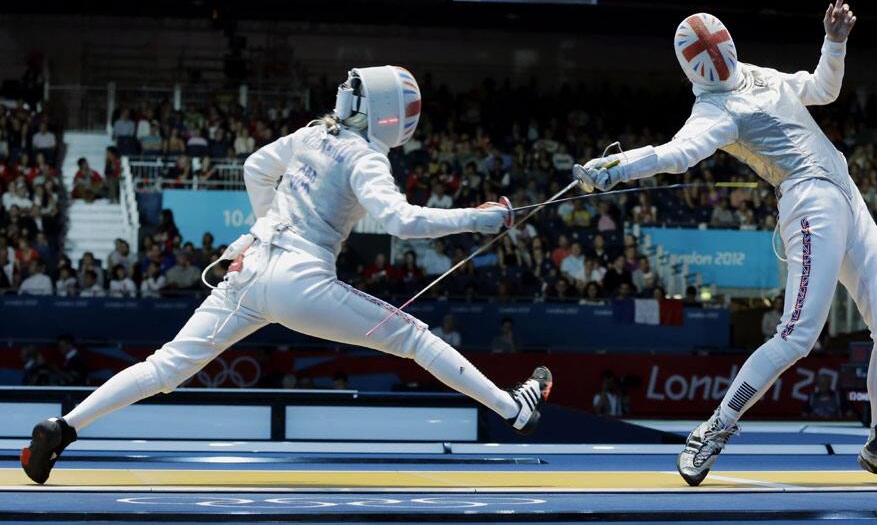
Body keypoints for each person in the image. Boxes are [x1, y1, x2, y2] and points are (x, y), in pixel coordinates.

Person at [22, 65, 552, 485]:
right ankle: (514, 410)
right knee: (414, 337)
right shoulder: (364, 157)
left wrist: (263, 224)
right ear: (390, 113)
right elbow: (402, 221)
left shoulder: (312, 135)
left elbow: (256, 167)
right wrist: (481, 218)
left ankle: (64, 427)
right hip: (301, 278)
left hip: (249, 269)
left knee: (164, 368)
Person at [574, 0, 877, 486]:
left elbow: (823, 89)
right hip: (809, 204)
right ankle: (713, 429)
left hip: (847, 192)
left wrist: (834, 43)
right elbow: (676, 154)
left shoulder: (759, 74)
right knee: (798, 335)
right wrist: (615, 166)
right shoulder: (715, 111)